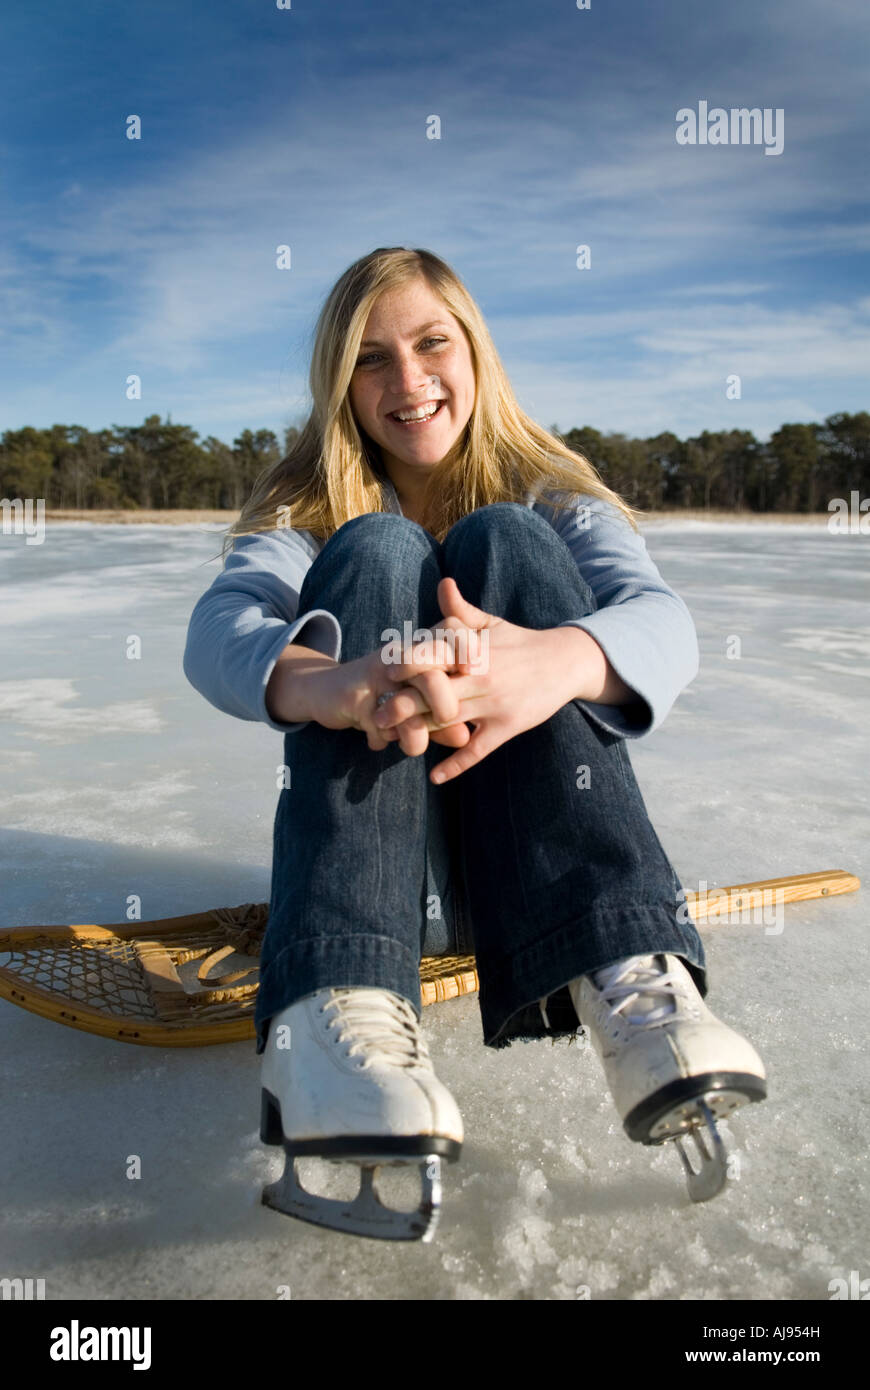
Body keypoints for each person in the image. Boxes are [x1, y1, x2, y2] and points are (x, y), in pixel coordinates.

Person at [183, 246, 766, 1240]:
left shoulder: (551, 492)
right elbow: (218, 630)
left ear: (474, 352)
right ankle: (337, 1009)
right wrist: (332, 684)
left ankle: (635, 982)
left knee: (510, 541)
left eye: (430, 344)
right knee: (376, 550)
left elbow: (663, 622)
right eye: (371, 359)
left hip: (535, 888)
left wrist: (557, 660)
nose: (407, 383)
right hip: (379, 894)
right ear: (340, 383)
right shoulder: (308, 507)